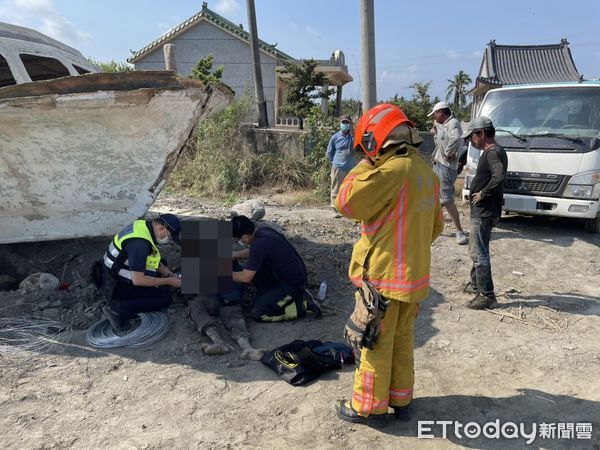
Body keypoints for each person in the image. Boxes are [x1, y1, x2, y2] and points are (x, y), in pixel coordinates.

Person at [334, 104, 444, 427]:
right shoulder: (427, 174)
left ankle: (369, 408)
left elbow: (346, 200)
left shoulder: (392, 171)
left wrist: (365, 164)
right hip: (412, 279)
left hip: (383, 278)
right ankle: (401, 400)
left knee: (375, 344)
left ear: (375, 139)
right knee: (401, 341)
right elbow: (435, 227)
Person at [101, 214, 182, 331]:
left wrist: (170, 274)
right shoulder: (140, 244)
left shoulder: (143, 227)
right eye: (169, 237)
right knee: (164, 298)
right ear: (162, 228)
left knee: (162, 264)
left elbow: (152, 259)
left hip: (113, 271)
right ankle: (117, 309)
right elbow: (138, 280)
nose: (168, 240)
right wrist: (169, 281)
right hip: (114, 285)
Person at [460, 116, 508, 310]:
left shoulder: (493, 153)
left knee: (478, 252)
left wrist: (483, 193)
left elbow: (499, 176)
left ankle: (487, 295)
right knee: (477, 249)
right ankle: (475, 285)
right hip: (484, 210)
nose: (472, 140)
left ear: (481, 133)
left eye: (473, 136)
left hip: (484, 210)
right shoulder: (490, 152)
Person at [231, 215, 317, 322]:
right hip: (287, 275)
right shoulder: (263, 232)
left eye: (236, 239)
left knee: (258, 313)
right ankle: (272, 296)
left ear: (244, 237)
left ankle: (304, 305)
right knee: (255, 272)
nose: (237, 241)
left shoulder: (259, 244)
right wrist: (234, 255)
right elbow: (255, 253)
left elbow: (245, 277)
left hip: (293, 284)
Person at [187, 263, 265, 360]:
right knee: (196, 306)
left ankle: (247, 348)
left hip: (228, 297)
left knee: (234, 315)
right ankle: (218, 342)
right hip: (210, 297)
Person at [429, 101, 469, 245]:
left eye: (435, 114)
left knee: (446, 199)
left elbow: (456, 138)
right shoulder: (441, 125)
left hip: (446, 166)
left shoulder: (453, 123)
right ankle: (431, 226)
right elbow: (439, 143)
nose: (434, 117)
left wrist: (447, 153)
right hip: (438, 164)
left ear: (440, 113)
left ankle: (459, 231)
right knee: (435, 196)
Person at [326, 115, 357, 212]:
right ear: (340, 123)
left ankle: (345, 208)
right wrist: (335, 163)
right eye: (343, 122)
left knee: (349, 189)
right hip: (338, 167)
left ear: (350, 124)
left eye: (347, 122)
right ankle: (334, 208)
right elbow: (329, 152)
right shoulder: (335, 137)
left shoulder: (353, 137)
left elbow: (358, 148)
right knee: (336, 188)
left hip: (351, 168)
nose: (345, 124)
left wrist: (354, 132)